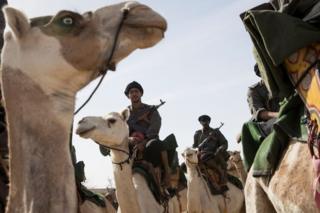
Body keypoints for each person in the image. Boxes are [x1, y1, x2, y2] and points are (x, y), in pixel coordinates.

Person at [124, 81, 177, 188]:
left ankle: (166, 174)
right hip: (130, 143)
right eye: (131, 92)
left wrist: (144, 141)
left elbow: (155, 126)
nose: (134, 94)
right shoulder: (125, 113)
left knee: (155, 144)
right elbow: (122, 130)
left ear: (141, 93)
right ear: (128, 95)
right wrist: (130, 139)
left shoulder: (151, 110)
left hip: (148, 142)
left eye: (136, 91)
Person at [193, 115, 229, 191]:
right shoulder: (197, 134)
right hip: (201, 154)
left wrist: (220, 148)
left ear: (209, 122)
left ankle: (222, 176)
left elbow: (225, 143)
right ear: (200, 122)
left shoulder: (216, 132)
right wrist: (203, 143)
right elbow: (194, 147)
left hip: (215, 154)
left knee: (216, 160)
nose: (205, 122)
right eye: (202, 121)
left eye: (206, 121)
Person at [247, 64, 280, 136]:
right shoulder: (254, 90)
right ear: (260, 74)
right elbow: (260, 113)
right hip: (271, 122)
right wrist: (279, 115)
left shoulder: (282, 82)